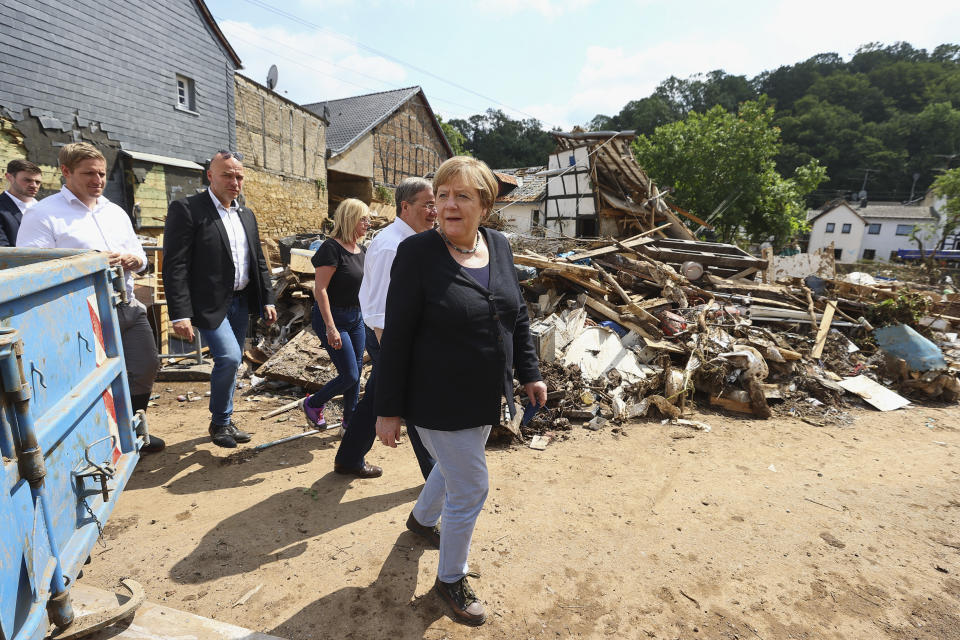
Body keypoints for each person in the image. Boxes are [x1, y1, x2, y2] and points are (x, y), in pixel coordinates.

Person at [375, 157, 547, 626]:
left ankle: (420, 521)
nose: (447, 206)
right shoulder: (416, 255)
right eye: (441, 196)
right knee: (471, 484)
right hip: (434, 396)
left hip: (483, 394)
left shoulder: (499, 246)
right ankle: (451, 577)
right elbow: (398, 336)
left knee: (453, 468)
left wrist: (530, 371)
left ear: (484, 205)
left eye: (461, 196)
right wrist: (387, 408)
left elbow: (518, 316)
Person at [17, 143, 164, 453]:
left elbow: (141, 256)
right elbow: (32, 268)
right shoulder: (43, 214)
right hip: (80, 312)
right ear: (66, 172)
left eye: (101, 173)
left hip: (125, 304)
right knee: (91, 379)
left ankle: (133, 429)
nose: (97, 180)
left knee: (145, 364)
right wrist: (90, 261)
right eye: (89, 174)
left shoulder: (115, 212)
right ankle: (100, 441)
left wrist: (130, 259)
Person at [163, 150, 276, 448]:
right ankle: (219, 422)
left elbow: (258, 261)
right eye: (227, 174)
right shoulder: (187, 209)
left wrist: (268, 298)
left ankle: (224, 421)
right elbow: (175, 265)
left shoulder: (245, 214)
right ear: (210, 175)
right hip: (209, 304)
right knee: (229, 357)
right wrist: (179, 313)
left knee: (232, 361)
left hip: (240, 303)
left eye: (239, 176)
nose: (234, 181)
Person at [337, 177, 438, 480]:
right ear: (405, 207)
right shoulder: (393, 247)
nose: (435, 211)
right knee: (412, 399)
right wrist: (392, 354)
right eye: (428, 205)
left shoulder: (414, 240)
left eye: (436, 204)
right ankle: (436, 478)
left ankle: (349, 457)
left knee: (379, 396)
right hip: (388, 337)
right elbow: (381, 309)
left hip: (399, 336)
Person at [301, 198, 373, 476]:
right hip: (334, 318)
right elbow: (320, 290)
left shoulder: (362, 249)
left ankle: (349, 423)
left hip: (356, 317)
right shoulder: (330, 249)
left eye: (368, 220)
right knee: (351, 375)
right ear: (350, 219)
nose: (367, 224)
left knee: (356, 372)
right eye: (363, 219)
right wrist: (330, 327)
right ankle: (314, 403)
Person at [0, 158, 42, 246]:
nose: (34, 186)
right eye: (27, 180)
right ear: (9, 177)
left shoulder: (45, 208)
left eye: (37, 182)